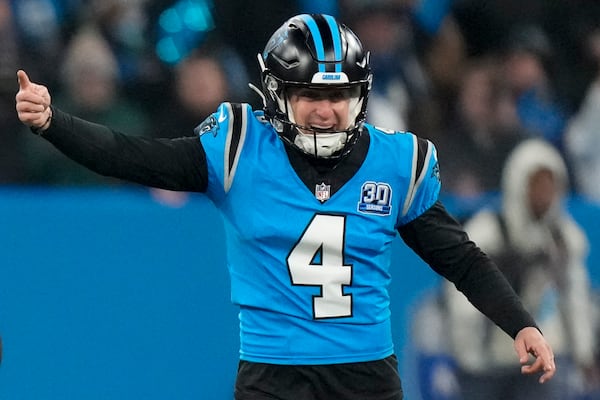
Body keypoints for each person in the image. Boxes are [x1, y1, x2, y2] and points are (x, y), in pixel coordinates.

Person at [15, 13, 556, 400]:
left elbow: (457, 256)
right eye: (311, 97)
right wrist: (52, 123)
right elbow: (134, 158)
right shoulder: (239, 151)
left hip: (366, 375)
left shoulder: (394, 162)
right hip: (272, 376)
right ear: (278, 96)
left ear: (359, 97)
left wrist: (520, 323)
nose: (325, 111)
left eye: (337, 96)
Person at [442, 138, 596, 400]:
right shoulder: (489, 231)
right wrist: (469, 351)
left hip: (537, 360)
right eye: (537, 185)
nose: (544, 195)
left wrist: (583, 352)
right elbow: (462, 290)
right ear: (519, 184)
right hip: (487, 362)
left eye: (550, 186)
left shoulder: (561, 239)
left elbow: (575, 297)